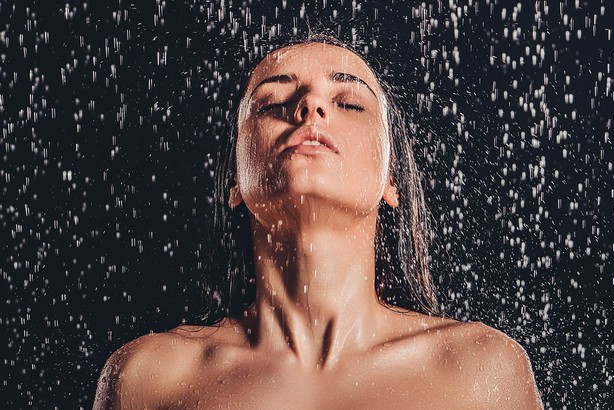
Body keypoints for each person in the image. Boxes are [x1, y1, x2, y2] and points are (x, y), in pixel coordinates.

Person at [94, 35, 543, 409]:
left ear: (390, 179)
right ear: (236, 179)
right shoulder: (150, 377)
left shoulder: (480, 371)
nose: (310, 105)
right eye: (272, 102)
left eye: (348, 102)